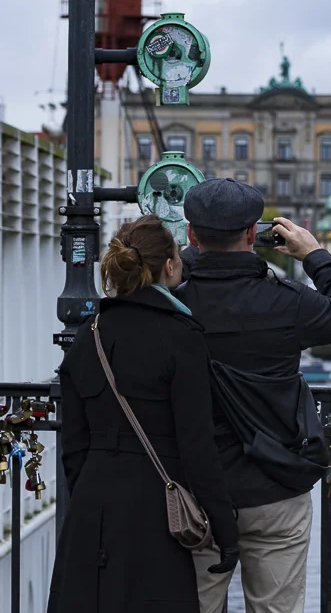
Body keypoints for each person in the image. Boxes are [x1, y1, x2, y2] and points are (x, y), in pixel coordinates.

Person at [175, 178, 331, 613]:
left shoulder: (172, 302)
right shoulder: (288, 301)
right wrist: (315, 256)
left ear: (190, 234)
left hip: (193, 489)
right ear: (252, 234)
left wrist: (193, 254)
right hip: (274, 484)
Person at [48, 214, 240, 613]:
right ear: (169, 266)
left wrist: (91, 493)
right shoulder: (180, 337)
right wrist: (225, 527)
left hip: (92, 504)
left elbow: (73, 445)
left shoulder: (89, 334)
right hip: (154, 507)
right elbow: (196, 445)